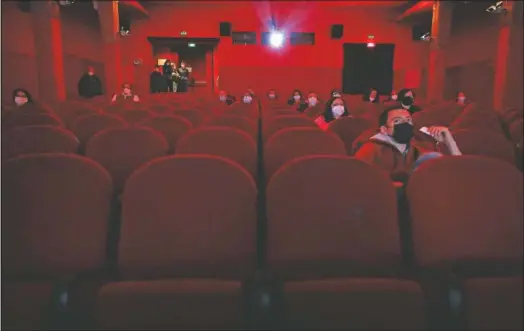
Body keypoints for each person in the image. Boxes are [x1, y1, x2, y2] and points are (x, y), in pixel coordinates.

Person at [355, 106, 462, 182]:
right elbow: (360, 182)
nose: (404, 124)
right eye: (397, 121)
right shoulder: (371, 149)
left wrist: (449, 140)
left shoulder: (418, 146)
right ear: (384, 129)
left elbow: (458, 169)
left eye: (408, 120)